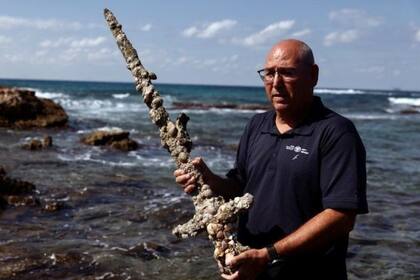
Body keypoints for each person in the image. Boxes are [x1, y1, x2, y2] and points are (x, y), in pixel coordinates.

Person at [174, 39, 368, 280]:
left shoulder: (336, 132)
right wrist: (209, 180)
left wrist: (269, 254)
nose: (276, 83)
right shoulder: (256, 125)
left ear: (313, 75)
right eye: (269, 73)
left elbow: (341, 216)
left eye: (287, 73)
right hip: (249, 270)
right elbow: (240, 188)